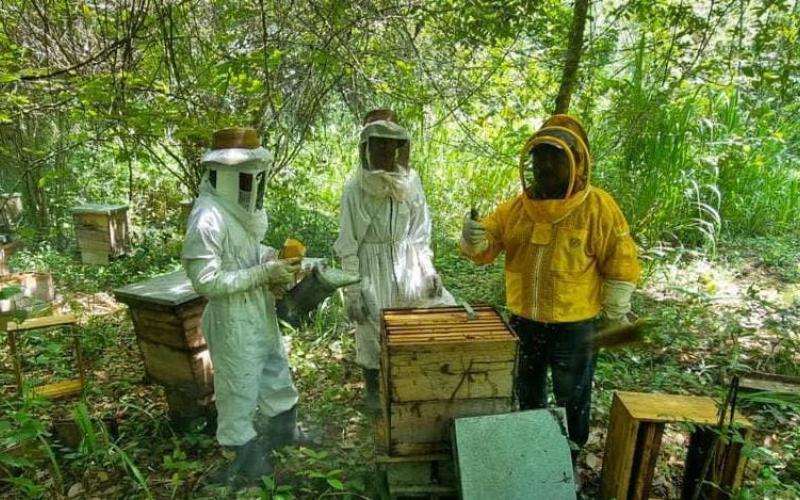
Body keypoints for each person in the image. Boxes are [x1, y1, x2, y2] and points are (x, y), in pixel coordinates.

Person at [460, 114, 640, 464]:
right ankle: (533, 455)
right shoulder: (515, 208)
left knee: (572, 395)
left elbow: (619, 259)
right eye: (539, 157)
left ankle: (567, 461)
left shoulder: (599, 208)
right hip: (525, 321)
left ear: (576, 162)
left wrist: (616, 311)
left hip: (576, 326)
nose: (544, 165)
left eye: (554, 157)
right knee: (528, 391)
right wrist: (472, 236)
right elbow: (485, 247)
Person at [182, 128, 308, 485]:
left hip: (257, 307)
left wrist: (274, 259)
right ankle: (245, 460)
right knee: (237, 386)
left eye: (255, 178)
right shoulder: (207, 217)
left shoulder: (235, 212)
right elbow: (206, 280)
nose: (251, 188)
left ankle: (285, 433)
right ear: (225, 176)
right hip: (230, 315)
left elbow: (244, 256)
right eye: (245, 179)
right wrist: (263, 271)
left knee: (274, 368)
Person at [335, 109, 455, 410]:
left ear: (399, 146)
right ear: (367, 147)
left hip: (408, 262)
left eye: (391, 144)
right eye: (378, 144)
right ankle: (375, 395)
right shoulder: (354, 189)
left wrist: (428, 270)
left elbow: (420, 232)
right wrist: (352, 290)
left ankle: (413, 385)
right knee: (371, 329)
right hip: (371, 267)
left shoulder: (412, 182)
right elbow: (348, 244)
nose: (385, 150)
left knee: (426, 317)